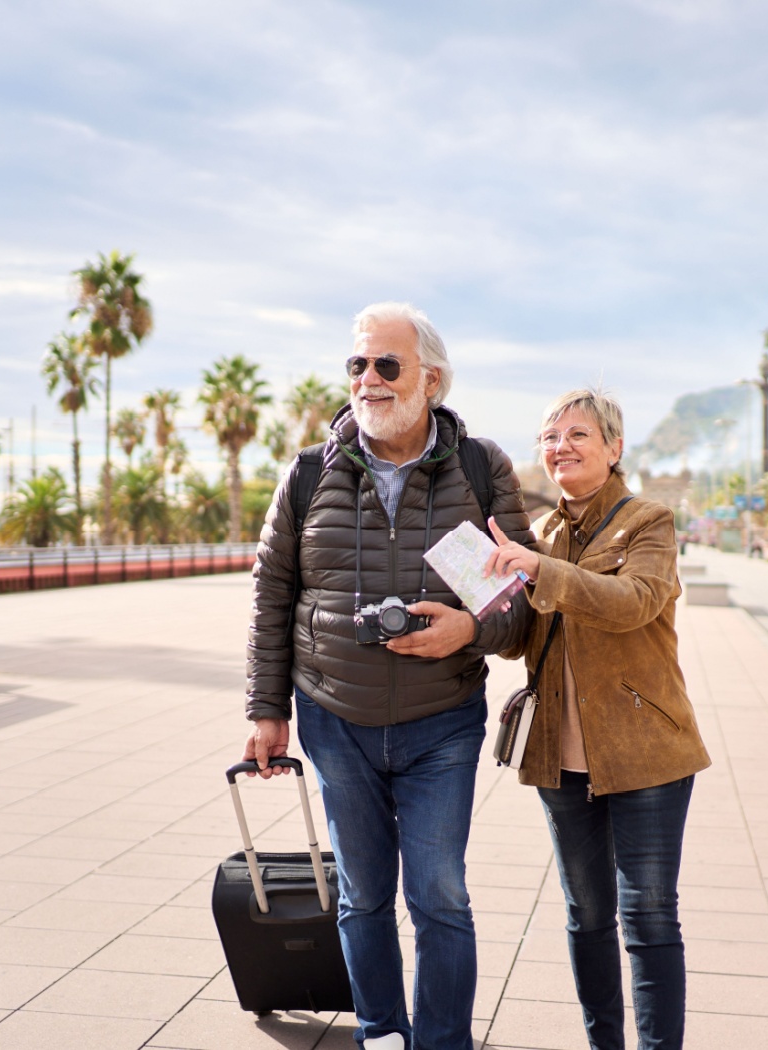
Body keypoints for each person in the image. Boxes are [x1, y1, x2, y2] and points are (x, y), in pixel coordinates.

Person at [243, 302, 535, 1050]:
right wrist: (266, 710)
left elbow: (520, 601)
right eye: (356, 365)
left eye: (386, 365)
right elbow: (273, 590)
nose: (366, 380)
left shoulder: (481, 467)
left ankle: (440, 1042)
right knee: (363, 896)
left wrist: (471, 628)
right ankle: (381, 1032)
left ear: (430, 379)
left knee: (439, 895)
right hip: (335, 720)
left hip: (442, 720)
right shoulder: (311, 471)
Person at [484, 387, 711, 1050]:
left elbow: (634, 602)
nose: (562, 448)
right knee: (586, 918)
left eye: (578, 435)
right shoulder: (541, 534)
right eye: (551, 438)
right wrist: (480, 605)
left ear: (614, 448)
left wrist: (540, 571)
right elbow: (523, 641)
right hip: (560, 756)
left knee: (649, 917)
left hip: (647, 754)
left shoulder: (649, 521)